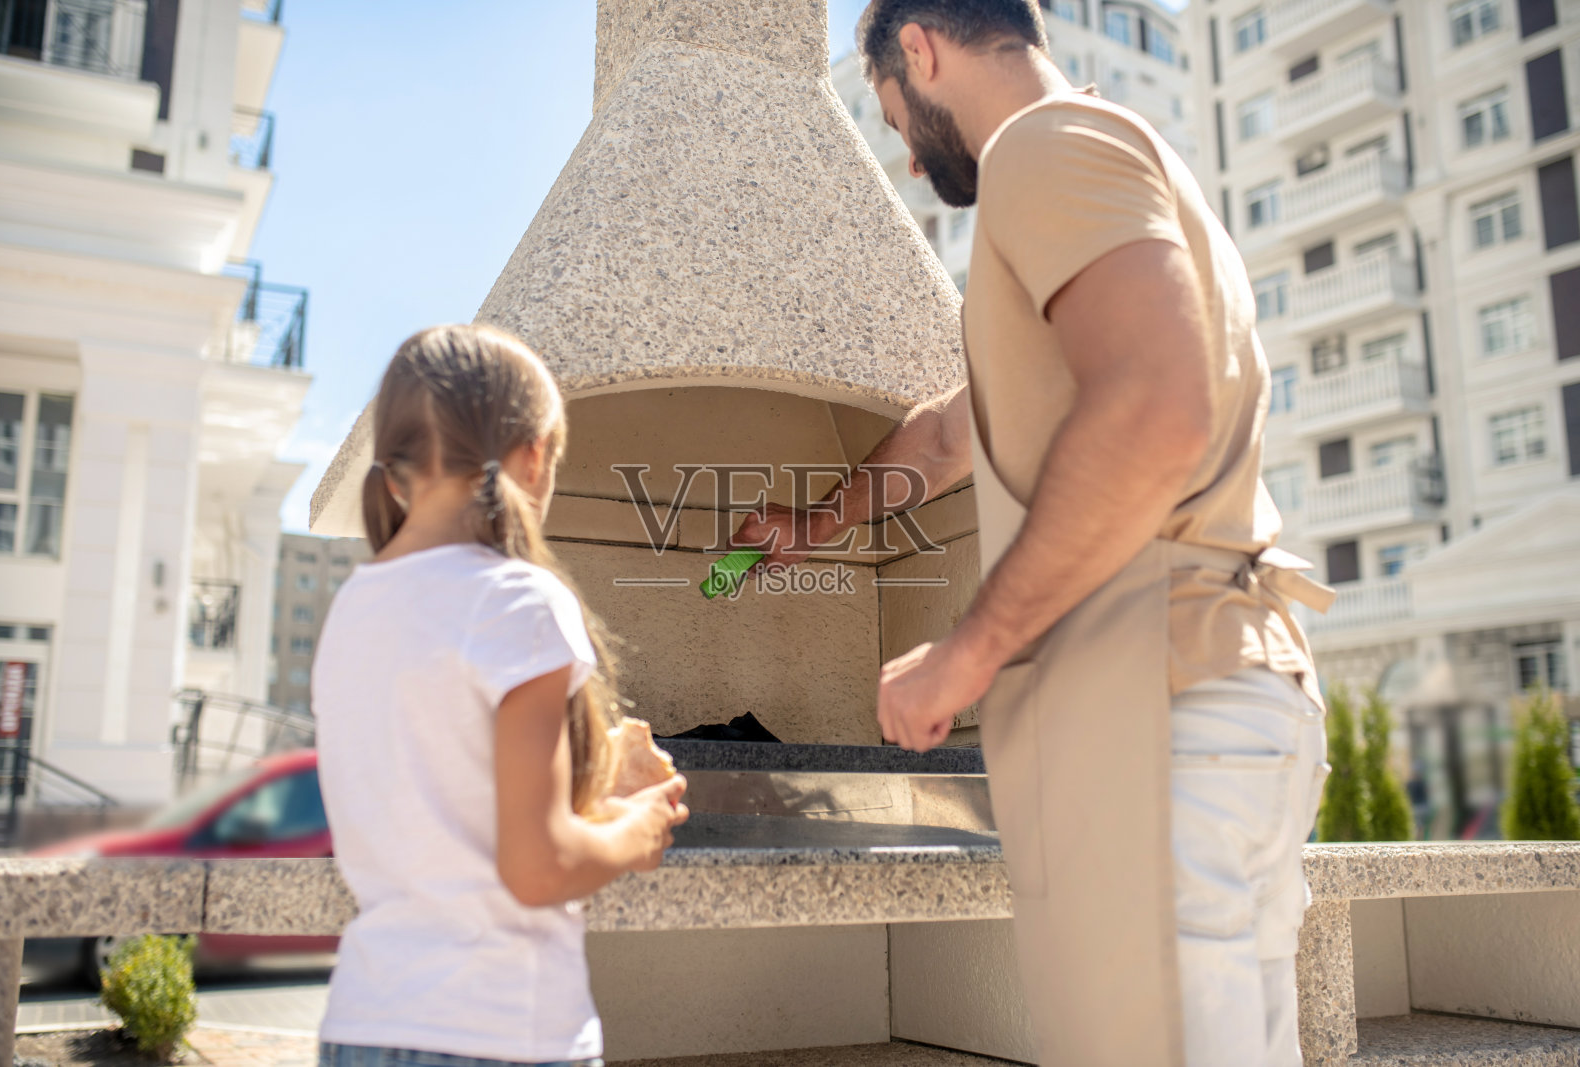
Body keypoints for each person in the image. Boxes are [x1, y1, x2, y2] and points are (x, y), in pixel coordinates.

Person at [735, 2, 1334, 1064]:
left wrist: (965, 655)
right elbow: (955, 435)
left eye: (890, 117)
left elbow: (1155, 406)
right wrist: (813, 523)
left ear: (918, 48)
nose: (910, 164)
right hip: (1200, 702)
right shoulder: (1114, 169)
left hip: (1159, 713)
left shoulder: (1043, 149)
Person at [312, 324, 689, 1067]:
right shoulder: (518, 599)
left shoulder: (351, 610)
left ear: (394, 473)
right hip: (498, 1032)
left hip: (361, 1025)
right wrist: (635, 833)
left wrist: (600, 801)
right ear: (533, 456)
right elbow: (537, 867)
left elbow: (446, 822)